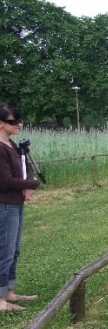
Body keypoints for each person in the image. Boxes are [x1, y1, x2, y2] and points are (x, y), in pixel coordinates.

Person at [0, 105, 40, 312]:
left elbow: (25, 167)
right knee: (4, 251)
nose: (19, 125)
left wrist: (29, 179)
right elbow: (5, 181)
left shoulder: (12, 145)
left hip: (16, 204)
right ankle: (0, 300)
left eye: (19, 121)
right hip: (4, 205)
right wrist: (30, 185)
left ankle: (9, 292)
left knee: (13, 250)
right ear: (1, 123)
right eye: (13, 121)